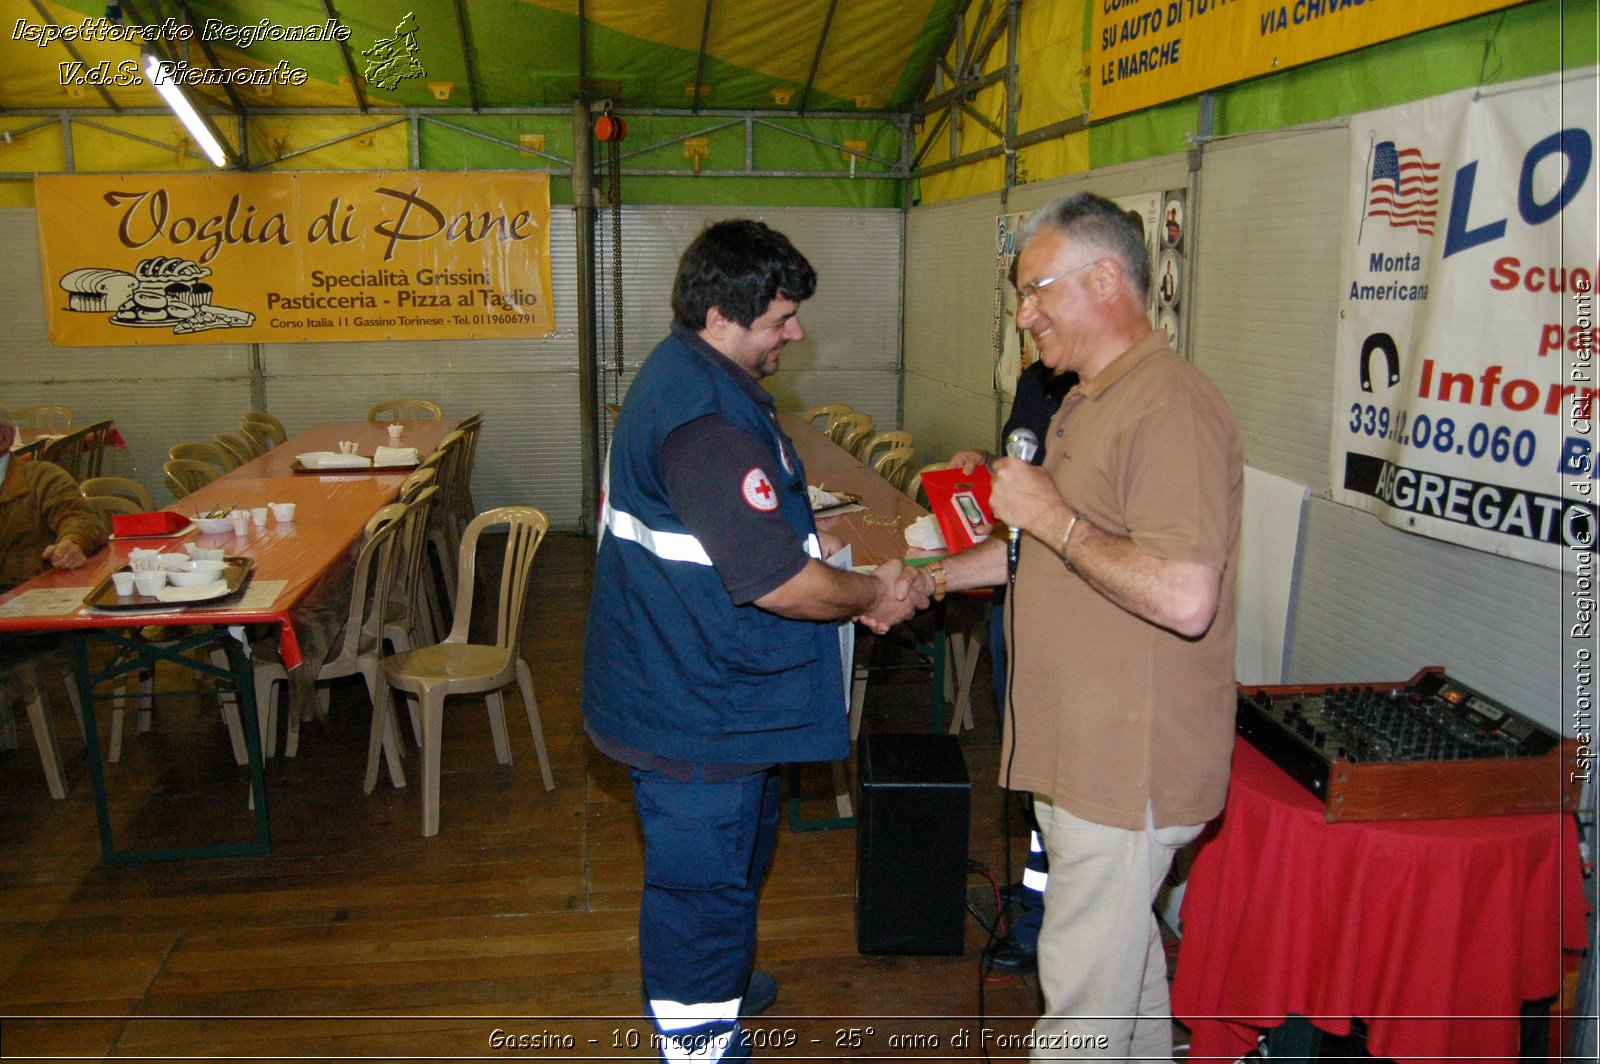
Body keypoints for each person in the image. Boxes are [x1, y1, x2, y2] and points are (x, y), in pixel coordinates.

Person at [582, 219, 931, 1063]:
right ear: (719, 316)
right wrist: (868, 595)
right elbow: (780, 582)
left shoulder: (694, 378)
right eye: (781, 318)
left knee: (734, 862)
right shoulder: (705, 422)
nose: (796, 332)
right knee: (702, 886)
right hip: (694, 708)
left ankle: (719, 984)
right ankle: (700, 1037)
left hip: (701, 683)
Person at [935, 193, 1243, 1058]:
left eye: (1037, 291)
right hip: (1086, 759)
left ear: (1106, 279)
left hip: (1124, 771)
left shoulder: (1167, 404)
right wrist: (937, 580)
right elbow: (1059, 550)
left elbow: (1185, 596)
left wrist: (1054, 519)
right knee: (1126, 979)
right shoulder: (1087, 398)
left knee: (1078, 1012)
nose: (1024, 315)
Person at [0, 404, 106, 593]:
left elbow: (81, 520)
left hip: (28, 596)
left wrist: (73, 542)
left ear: (4, 437)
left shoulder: (42, 479)